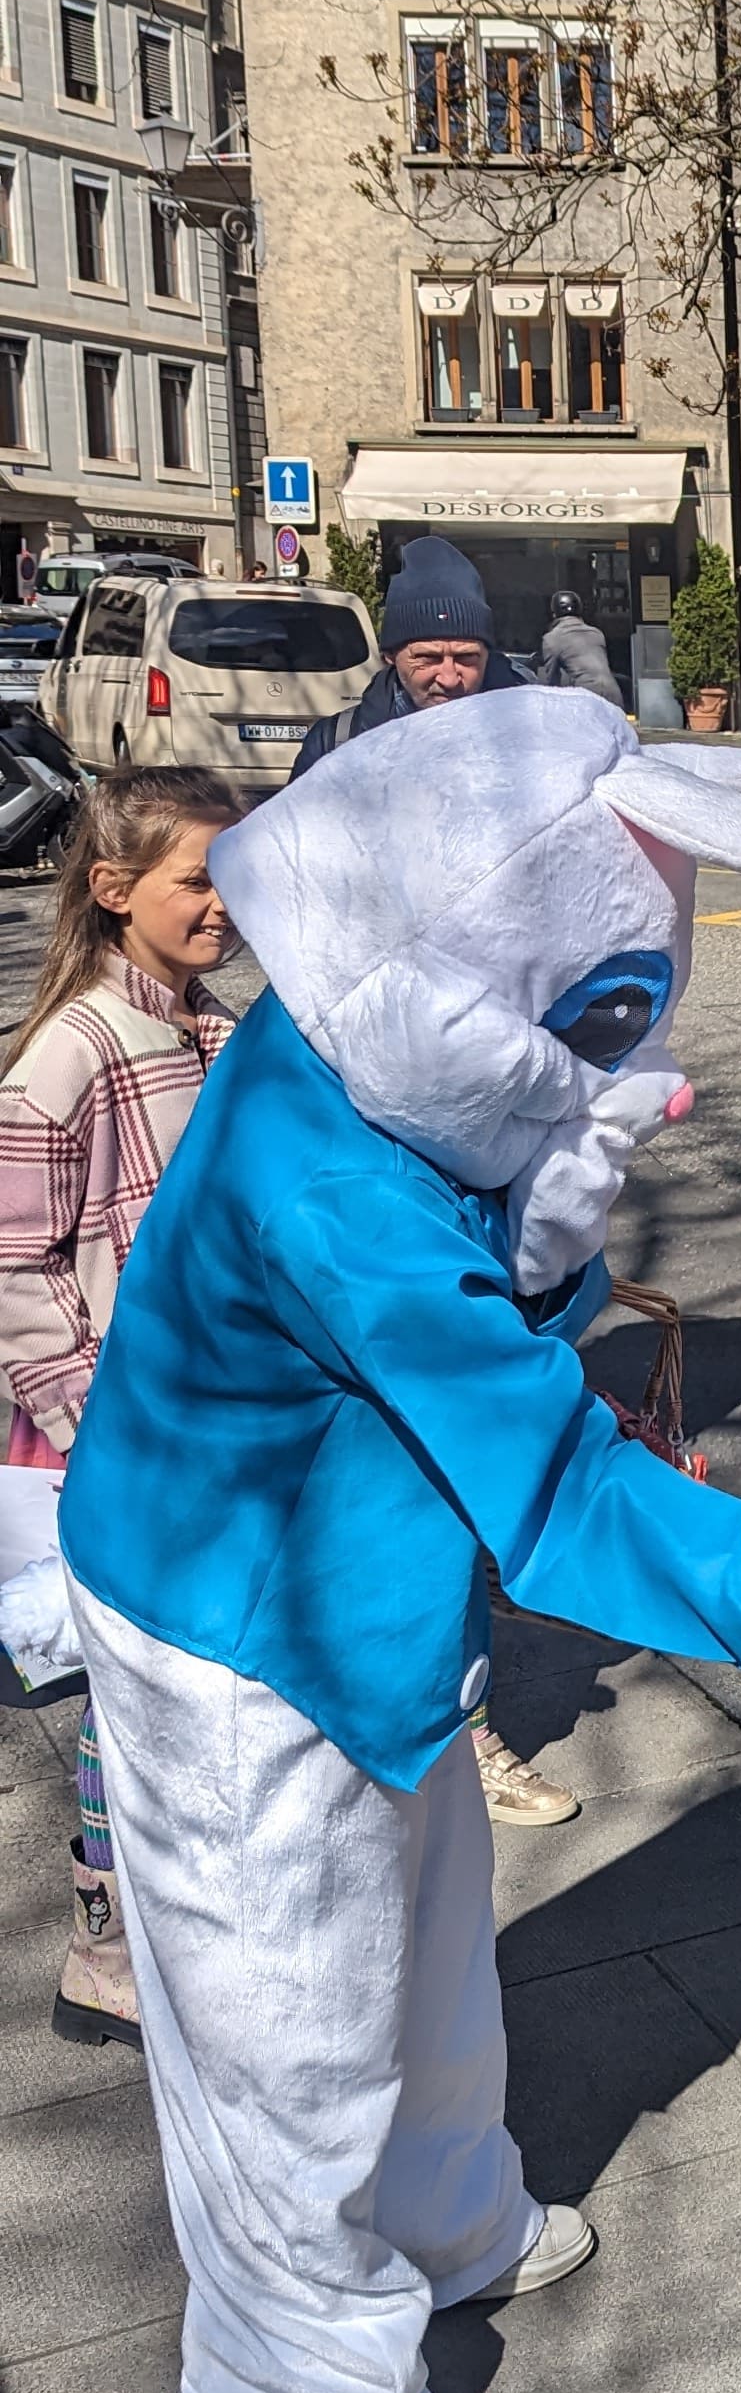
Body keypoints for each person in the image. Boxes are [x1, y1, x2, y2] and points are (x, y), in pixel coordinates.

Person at [55, 692, 741, 2393]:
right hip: (243, 1623)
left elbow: (479, 1294)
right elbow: (549, 1476)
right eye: (582, 1019)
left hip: (348, 1596)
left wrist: (543, 1213)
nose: (588, 1063)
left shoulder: (352, 1065)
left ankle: (450, 2213)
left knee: (414, 1955)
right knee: (279, 2026)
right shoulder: (336, 1182)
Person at [294, 533, 579, 1822]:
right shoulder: (338, 752)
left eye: (465, 651)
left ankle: (452, 1717)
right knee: (388, 1430)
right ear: (396, 651)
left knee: (458, 1422)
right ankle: (403, 1711)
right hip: (375, 1120)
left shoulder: (528, 738)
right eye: (427, 653)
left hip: (499, 1113)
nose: (448, 675)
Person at [0, 767, 239, 2046]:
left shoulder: (215, 1028)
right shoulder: (73, 1052)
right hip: (121, 1437)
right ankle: (103, 1944)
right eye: (198, 881)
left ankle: (176, 1920)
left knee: (179, 1690)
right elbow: (12, 1258)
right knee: (125, 1694)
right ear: (113, 891)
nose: (223, 906)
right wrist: (96, 1418)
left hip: (215, 1429)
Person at [291, 534, 501, 775]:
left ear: (487, 655)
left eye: (466, 658)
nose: (449, 678)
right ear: (390, 656)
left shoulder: (536, 738)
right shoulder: (334, 746)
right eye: (428, 658)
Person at [534, 590, 623, 704]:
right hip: (614, 693)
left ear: (554, 613)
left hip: (586, 696)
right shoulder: (596, 633)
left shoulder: (552, 638)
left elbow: (550, 678)